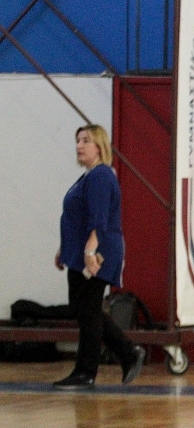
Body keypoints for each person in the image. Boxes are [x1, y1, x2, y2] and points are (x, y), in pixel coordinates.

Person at [53, 124, 145, 389]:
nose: (79, 146)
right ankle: (128, 352)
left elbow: (99, 219)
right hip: (81, 251)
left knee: (88, 311)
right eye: (78, 140)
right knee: (84, 310)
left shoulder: (101, 176)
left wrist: (90, 251)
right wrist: (64, 249)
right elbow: (76, 218)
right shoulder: (89, 176)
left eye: (86, 141)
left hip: (98, 252)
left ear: (100, 146)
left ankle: (86, 371)